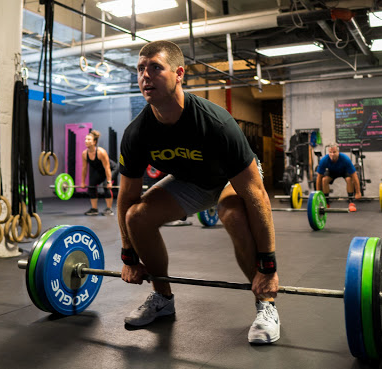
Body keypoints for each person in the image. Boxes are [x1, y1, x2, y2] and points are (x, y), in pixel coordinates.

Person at [117, 40, 280, 344]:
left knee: (231, 213)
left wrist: (269, 267)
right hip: (190, 182)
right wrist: (129, 255)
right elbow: (127, 197)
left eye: (155, 67)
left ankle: (266, 306)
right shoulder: (137, 133)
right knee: (137, 217)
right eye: (141, 69)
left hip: (232, 177)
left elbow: (256, 195)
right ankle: (162, 299)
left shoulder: (215, 123)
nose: (145, 75)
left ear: (179, 73)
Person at [315, 143, 361, 211]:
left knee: (349, 179)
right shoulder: (324, 160)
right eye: (330, 152)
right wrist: (317, 194)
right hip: (332, 172)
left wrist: (358, 192)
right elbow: (319, 178)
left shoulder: (345, 159)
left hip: (344, 171)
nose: (332, 154)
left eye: (334, 152)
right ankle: (326, 202)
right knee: (324, 180)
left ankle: (351, 202)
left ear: (338, 152)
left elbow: (354, 176)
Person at [81, 130, 114, 216]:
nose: (86, 141)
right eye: (85, 139)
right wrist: (83, 182)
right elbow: (84, 169)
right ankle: (94, 209)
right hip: (100, 171)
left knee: (106, 186)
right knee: (91, 186)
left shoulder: (101, 152)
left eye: (89, 139)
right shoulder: (84, 154)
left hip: (112, 169)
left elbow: (107, 168)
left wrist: (109, 182)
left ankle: (109, 209)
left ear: (94, 142)